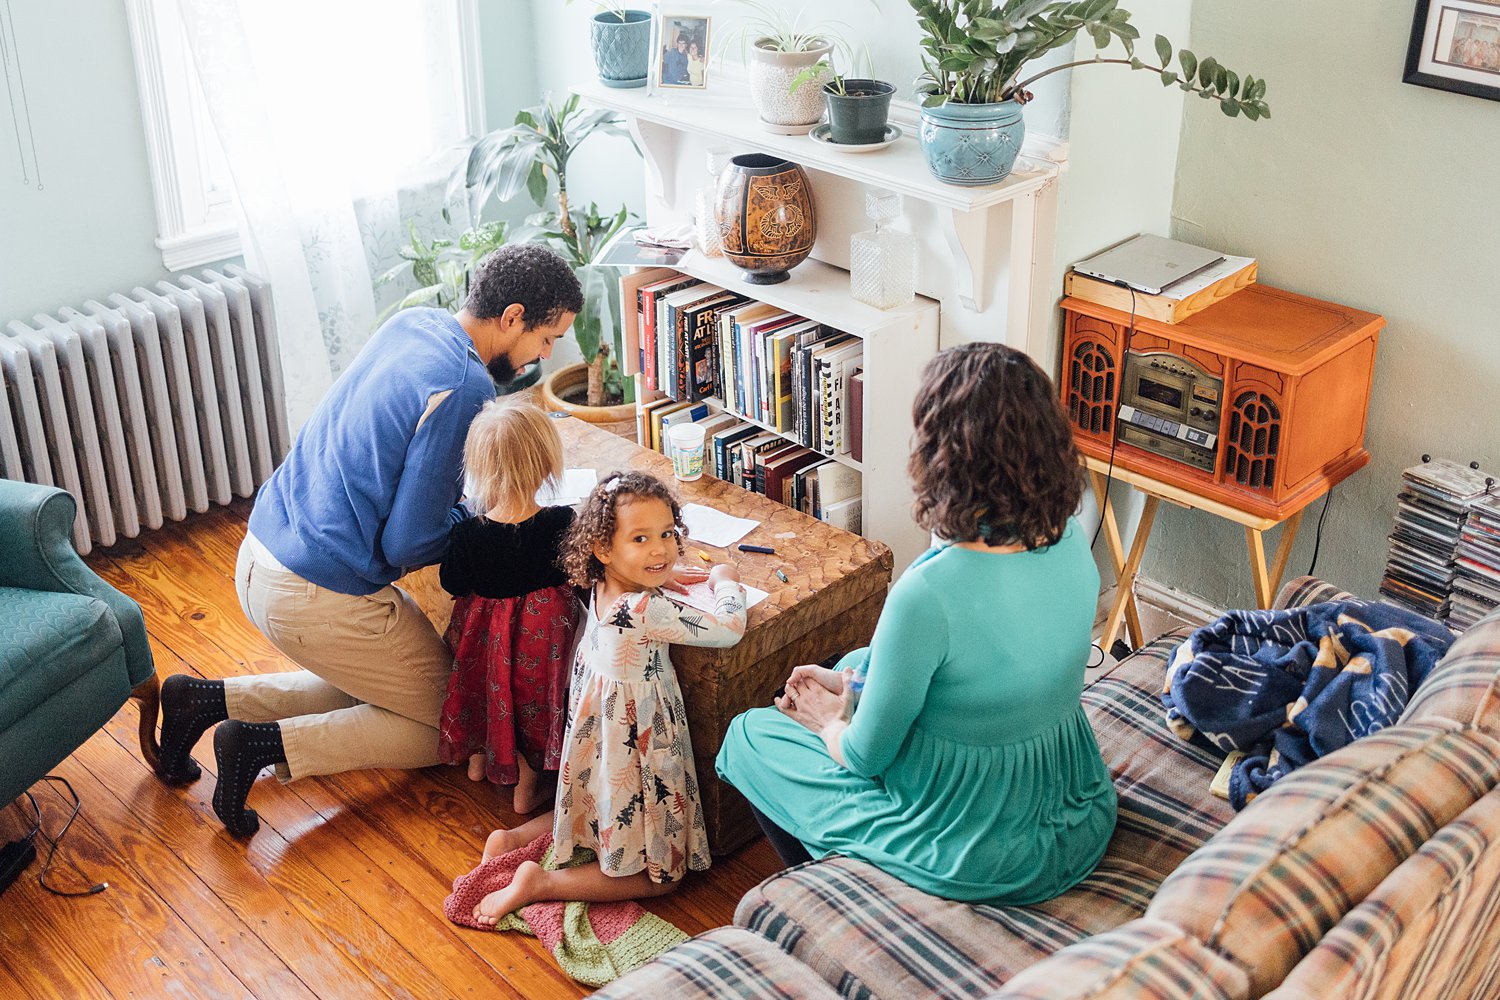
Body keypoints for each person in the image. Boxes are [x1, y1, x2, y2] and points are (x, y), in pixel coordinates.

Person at [153, 243, 583, 838]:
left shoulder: (415, 322)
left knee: (380, 684)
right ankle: (259, 746)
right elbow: (410, 543)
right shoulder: (465, 387)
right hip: (316, 592)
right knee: (449, 723)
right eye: (547, 337)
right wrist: (484, 520)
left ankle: (203, 701)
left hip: (262, 550)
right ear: (511, 317)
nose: (546, 353)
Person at [716, 342, 1118, 905]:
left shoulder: (928, 595)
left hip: (976, 845)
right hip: (1072, 810)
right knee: (856, 662)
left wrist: (828, 717)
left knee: (747, 737)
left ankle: (848, 887)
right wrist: (853, 682)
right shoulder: (1073, 538)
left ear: (941, 456)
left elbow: (863, 756)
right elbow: (976, 661)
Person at [465, 471, 747, 925]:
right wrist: (725, 579)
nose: (660, 549)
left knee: (595, 809)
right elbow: (729, 630)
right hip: (639, 737)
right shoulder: (643, 609)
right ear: (603, 549)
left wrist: (660, 577)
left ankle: (512, 841)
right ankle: (541, 884)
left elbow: (641, 589)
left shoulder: (602, 588)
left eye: (667, 535)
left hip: (601, 733)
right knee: (666, 877)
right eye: (641, 539)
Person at [437, 399, 579, 815]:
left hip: (485, 647)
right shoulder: (560, 523)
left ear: (481, 469)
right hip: (540, 649)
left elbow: (452, 582)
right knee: (532, 710)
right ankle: (526, 788)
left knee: (486, 692)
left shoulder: (467, 535)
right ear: (544, 466)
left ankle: (480, 760)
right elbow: (580, 571)